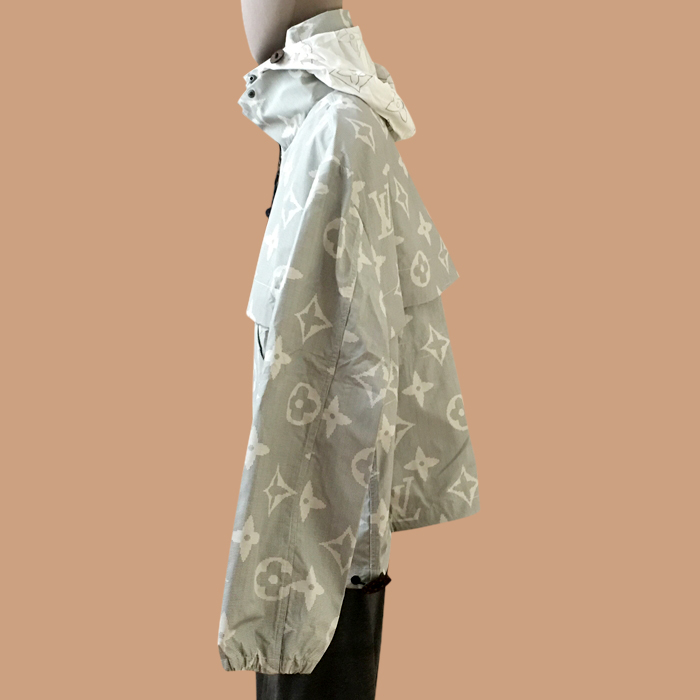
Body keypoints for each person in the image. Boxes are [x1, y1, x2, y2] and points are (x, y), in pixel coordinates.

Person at [219, 4, 481, 698]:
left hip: (319, 553)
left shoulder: (338, 130)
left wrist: (279, 591)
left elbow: (336, 374)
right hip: (317, 540)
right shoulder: (319, 125)